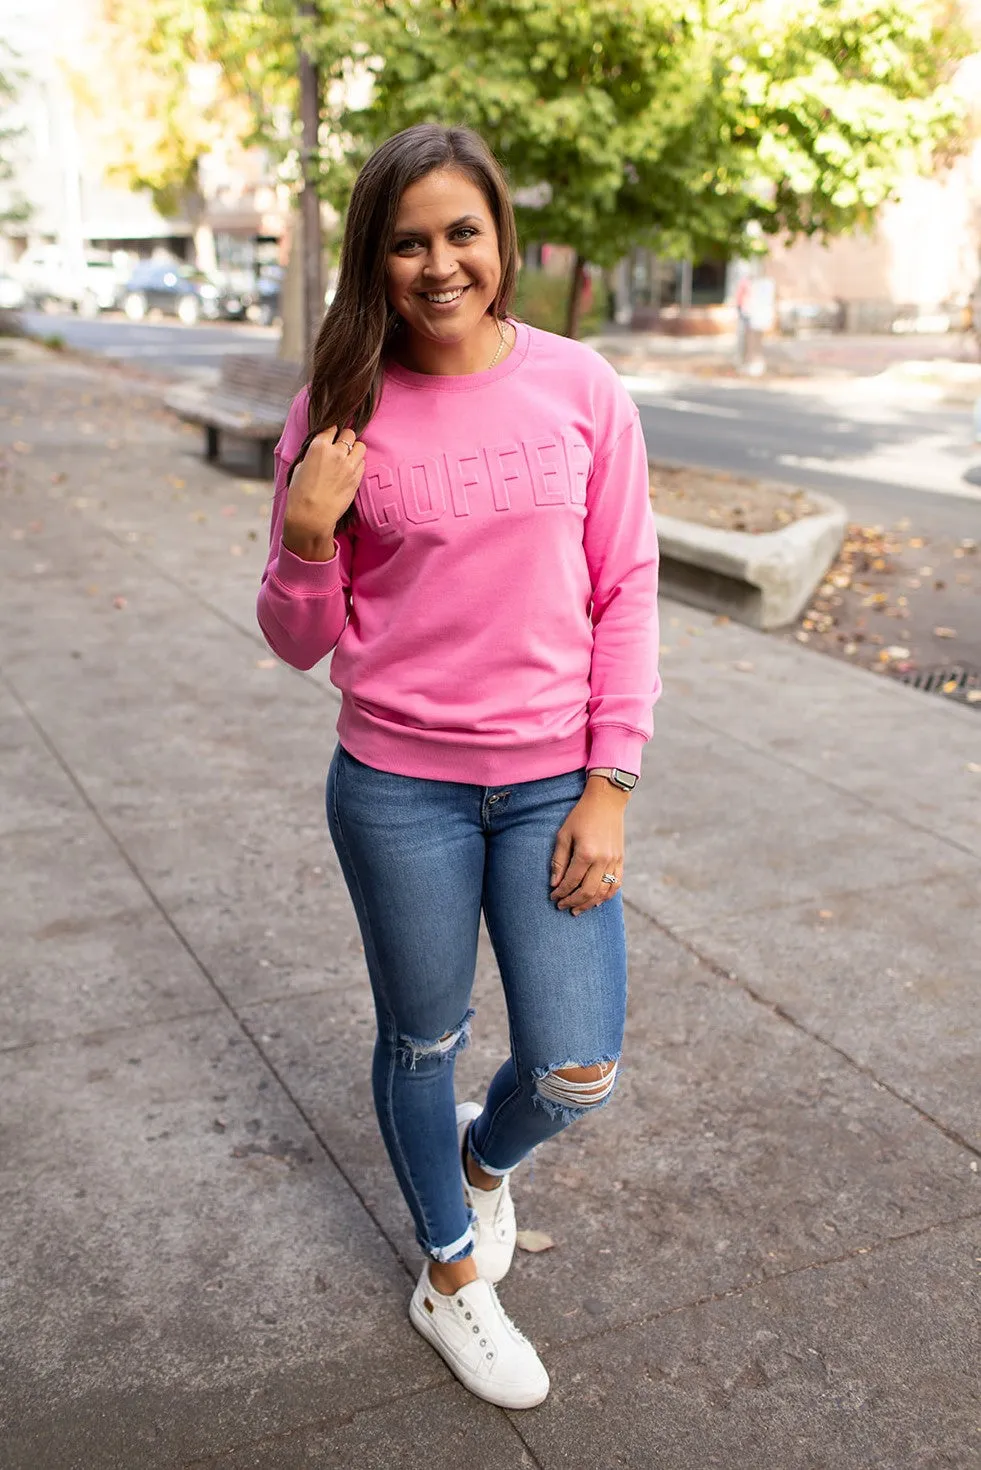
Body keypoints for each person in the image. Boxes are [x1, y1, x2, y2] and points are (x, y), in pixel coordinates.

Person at [257, 123, 660, 1410]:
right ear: (377, 259)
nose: (440, 264)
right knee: (422, 1038)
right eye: (409, 241)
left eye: (463, 232)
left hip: (554, 780)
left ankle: (484, 1168)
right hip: (399, 789)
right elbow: (297, 641)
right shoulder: (339, 410)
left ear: (501, 236)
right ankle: (448, 1280)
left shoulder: (581, 387)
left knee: (573, 1067)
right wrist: (307, 540)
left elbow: (628, 590)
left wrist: (612, 783)